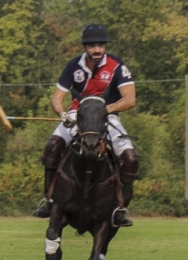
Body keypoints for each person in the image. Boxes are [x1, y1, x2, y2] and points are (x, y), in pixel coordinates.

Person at [33, 23, 139, 227]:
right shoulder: (73, 66)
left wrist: (102, 111)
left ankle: (120, 208)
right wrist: (63, 114)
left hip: (107, 116)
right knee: (52, 146)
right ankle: (48, 199)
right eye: (92, 46)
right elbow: (57, 98)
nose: (96, 50)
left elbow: (130, 99)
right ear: (84, 47)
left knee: (130, 158)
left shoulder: (117, 66)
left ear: (105, 46)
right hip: (76, 115)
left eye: (100, 45)